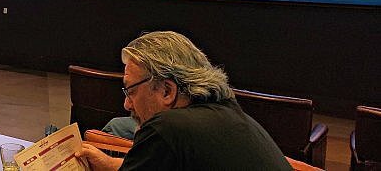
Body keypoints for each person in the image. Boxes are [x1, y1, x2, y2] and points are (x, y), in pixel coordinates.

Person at [75, 31, 291, 170]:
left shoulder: (167, 128)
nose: (127, 104)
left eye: (130, 91)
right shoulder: (227, 114)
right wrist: (109, 164)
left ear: (167, 91)